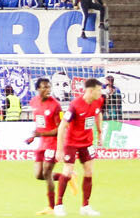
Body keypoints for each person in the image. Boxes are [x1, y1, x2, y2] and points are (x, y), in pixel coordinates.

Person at [54, 77, 105, 216]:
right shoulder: (75, 105)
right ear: (91, 91)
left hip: (87, 142)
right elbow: (62, 126)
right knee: (68, 171)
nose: (101, 93)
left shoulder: (98, 100)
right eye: (99, 90)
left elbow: (98, 114)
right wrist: (59, 150)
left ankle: (85, 206)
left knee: (89, 171)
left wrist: (100, 132)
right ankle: (58, 205)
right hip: (72, 142)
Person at [26, 77, 63, 214]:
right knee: (38, 175)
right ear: (38, 89)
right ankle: (66, 176)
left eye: (49, 87)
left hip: (52, 143)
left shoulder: (56, 105)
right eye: (45, 87)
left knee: (47, 172)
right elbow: (40, 123)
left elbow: (60, 129)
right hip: (42, 143)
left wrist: (41, 134)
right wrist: (34, 135)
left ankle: (51, 207)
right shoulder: (33, 102)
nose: (48, 89)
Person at [101, 76, 122, 148]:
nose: (105, 82)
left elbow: (118, 102)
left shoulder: (116, 90)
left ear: (110, 81)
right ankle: (104, 143)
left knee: (112, 128)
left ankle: (111, 144)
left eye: (106, 81)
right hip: (105, 111)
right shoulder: (103, 88)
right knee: (104, 127)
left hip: (113, 111)